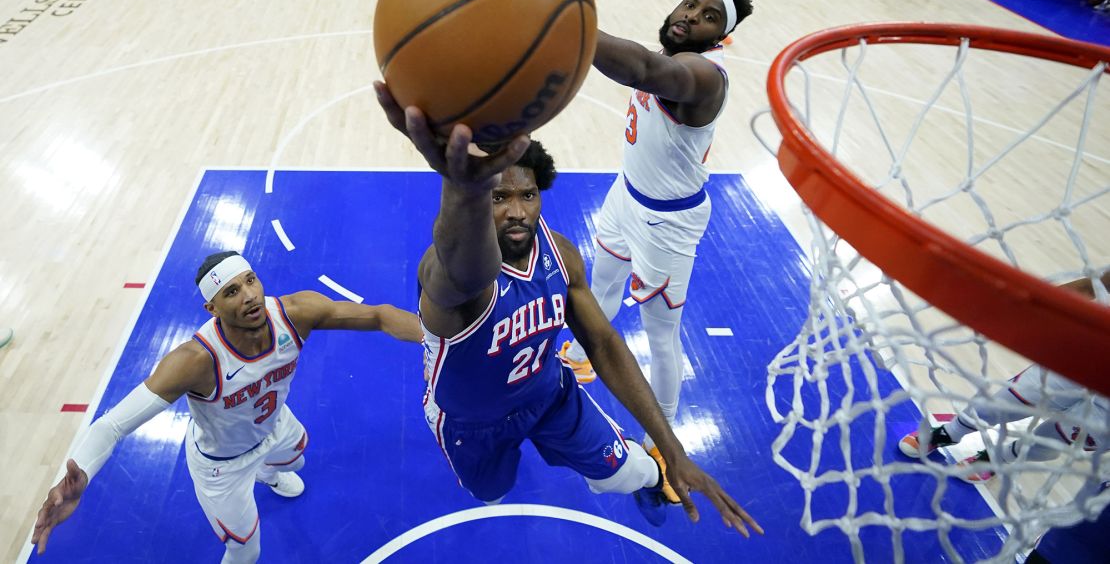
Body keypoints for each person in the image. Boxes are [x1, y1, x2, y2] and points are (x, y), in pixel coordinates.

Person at [372, 88, 763, 535]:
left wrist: (672, 450)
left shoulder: (560, 254)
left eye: (528, 195)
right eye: (498, 198)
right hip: (472, 424)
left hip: (550, 395)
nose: (517, 212)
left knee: (627, 473)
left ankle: (653, 478)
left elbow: (603, 342)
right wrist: (461, 186)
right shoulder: (451, 277)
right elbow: (456, 263)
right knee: (491, 494)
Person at [31, 253, 423, 562]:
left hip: (273, 425)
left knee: (297, 460)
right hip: (223, 464)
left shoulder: (295, 313)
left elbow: (378, 315)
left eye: (250, 280)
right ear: (212, 308)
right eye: (231, 291)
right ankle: (254, 482)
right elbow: (111, 426)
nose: (249, 295)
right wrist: (80, 474)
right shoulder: (194, 361)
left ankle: (268, 473)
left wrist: (440, 339)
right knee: (247, 552)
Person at [558, 0, 754, 473]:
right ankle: (583, 353)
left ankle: (664, 442)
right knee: (598, 282)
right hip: (626, 194)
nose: (691, 15)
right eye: (690, 3)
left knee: (660, 336)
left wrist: (566, 22)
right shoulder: (671, 58)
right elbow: (646, 62)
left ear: (719, 36)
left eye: (709, 15)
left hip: (667, 225)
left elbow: (643, 68)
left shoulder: (704, 76)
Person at [898, 273, 1109, 484]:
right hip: (1089, 354)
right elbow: (1094, 285)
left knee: (1063, 436)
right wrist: (1039, 307)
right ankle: (950, 432)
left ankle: (998, 458)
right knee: (1015, 397)